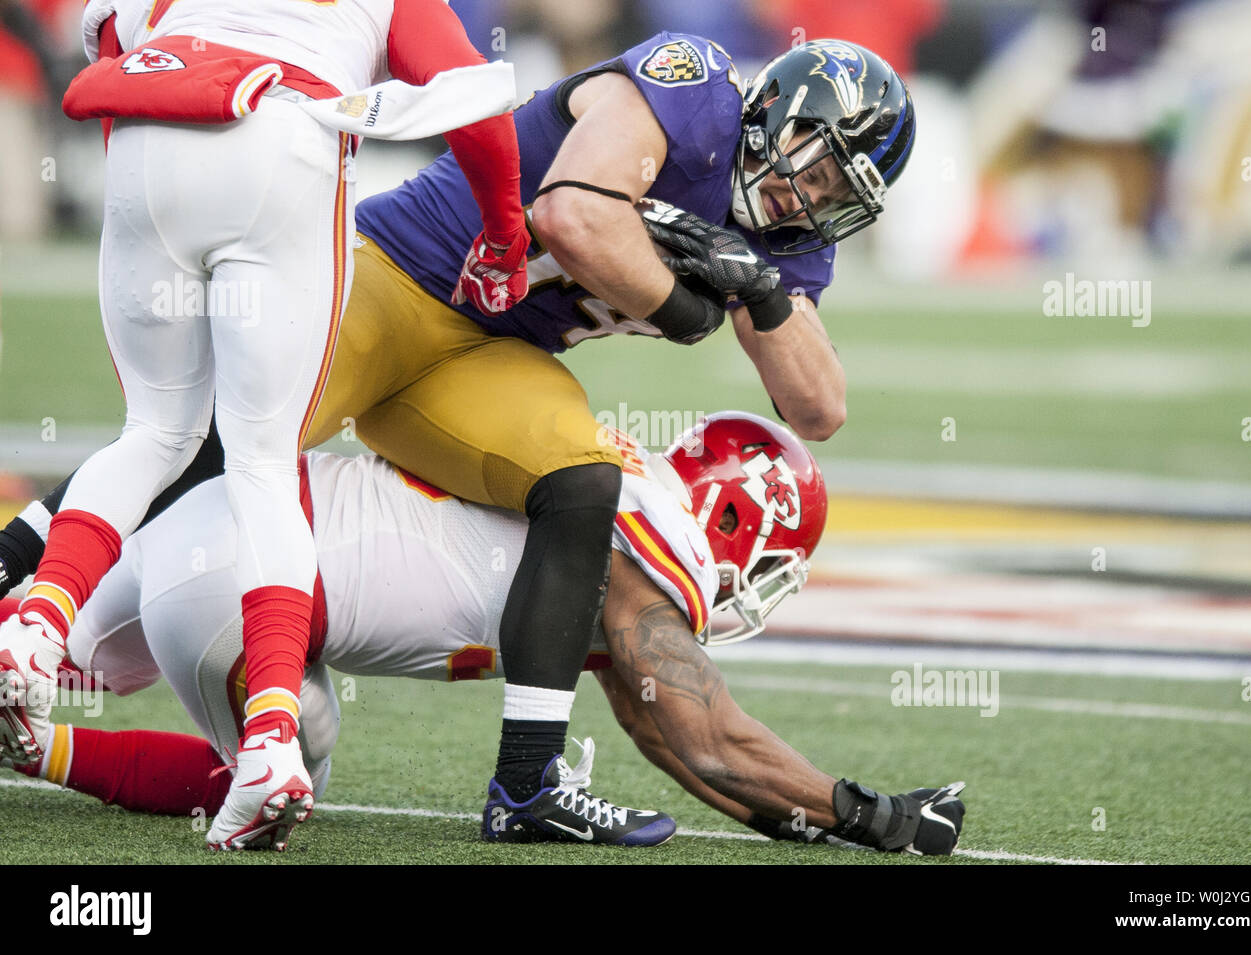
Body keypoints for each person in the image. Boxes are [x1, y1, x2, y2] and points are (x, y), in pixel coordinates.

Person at [0, 34, 918, 842]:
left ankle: (527, 783)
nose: (817, 199)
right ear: (786, 118)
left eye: (844, 195)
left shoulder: (790, 241)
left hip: (488, 346)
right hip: (398, 278)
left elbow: (817, 407)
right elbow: (570, 215)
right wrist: (685, 304)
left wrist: (757, 285)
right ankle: (14, 576)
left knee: (583, 482)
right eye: (825, 168)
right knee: (207, 436)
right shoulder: (697, 88)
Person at [0, 0, 531, 850]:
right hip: (281, 133)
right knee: (261, 459)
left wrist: (149, 208)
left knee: (155, 431)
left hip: (151, 123)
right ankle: (272, 741)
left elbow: (108, 32)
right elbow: (475, 100)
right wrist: (504, 235)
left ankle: (36, 624)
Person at [3, 412, 965, 853]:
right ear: (729, 524)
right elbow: (707, 733)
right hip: (254, 588)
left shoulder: (612, 492)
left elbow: (676, 742)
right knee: (271, 771)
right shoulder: (644, 546)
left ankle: (30, 719)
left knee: (30, 648)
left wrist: (821, 821)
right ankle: (40, 749)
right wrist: (871, 814)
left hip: (218, 523)